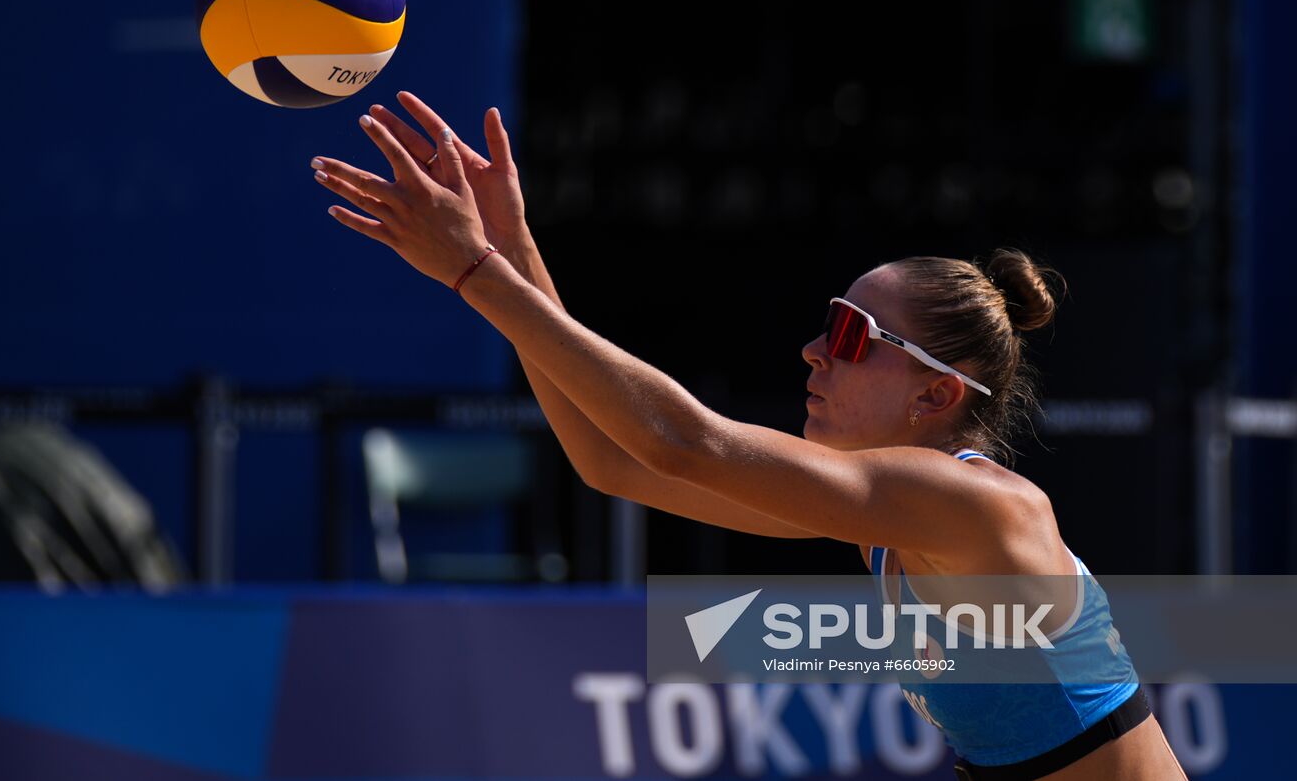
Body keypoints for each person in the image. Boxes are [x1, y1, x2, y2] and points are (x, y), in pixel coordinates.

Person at [308, 92, 1188, 780]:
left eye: (849, 336)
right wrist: (514, 245)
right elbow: (615, 460)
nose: (812, 350)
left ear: (934, 394)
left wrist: (476, 271)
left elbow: (685, 442)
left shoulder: (974, 505)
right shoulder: (894, 527)